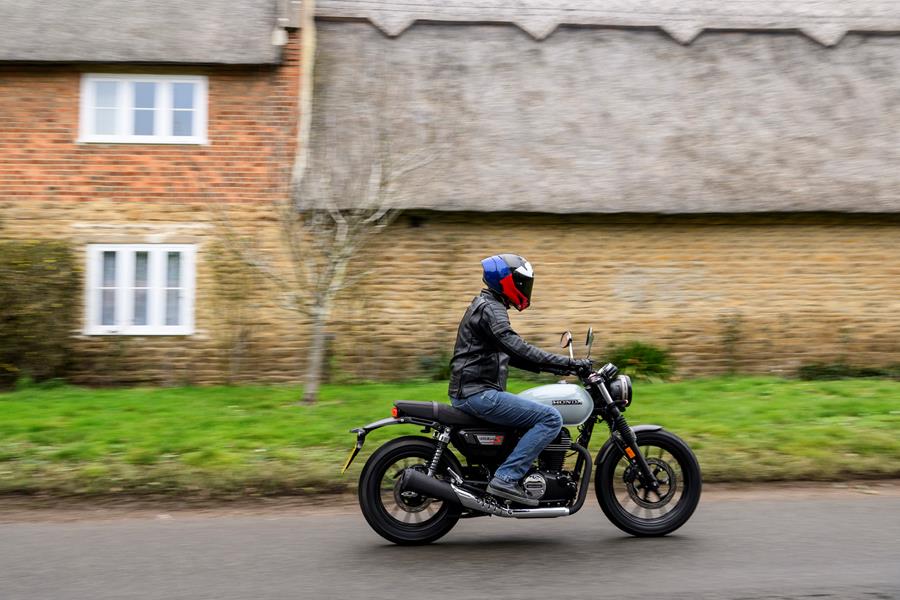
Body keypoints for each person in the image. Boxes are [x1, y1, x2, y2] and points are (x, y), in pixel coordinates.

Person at [448, 254, 592, 506]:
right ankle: (505, 478)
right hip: (477, 393)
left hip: (474, 390)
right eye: (522, 282)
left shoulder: (487, 305)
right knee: (550, 417)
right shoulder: (491, 309)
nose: (526, 287)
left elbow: (511, 354)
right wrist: (568, 363)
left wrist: (559, 369)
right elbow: (517, 347)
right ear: (506, 281)